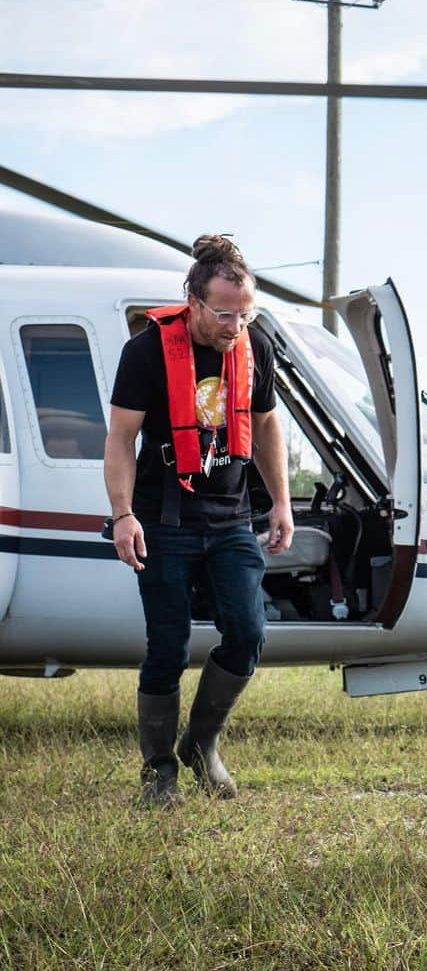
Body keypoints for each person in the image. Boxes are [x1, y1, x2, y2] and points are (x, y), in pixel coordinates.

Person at [104, 234, 294, 805]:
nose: (236, 325)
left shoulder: (254, 345)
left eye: (246, 313)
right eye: (223, 314)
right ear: (191, 299)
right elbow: (120, 439)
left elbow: (264, 426)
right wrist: (122, 515)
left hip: (231, 516)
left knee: (248, 632)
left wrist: (280, 501)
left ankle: (201, 744)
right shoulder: (145, 351)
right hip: (163, 518)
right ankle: (159, 769)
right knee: (168, 645)